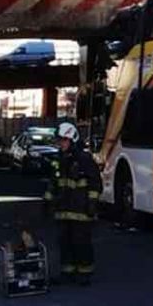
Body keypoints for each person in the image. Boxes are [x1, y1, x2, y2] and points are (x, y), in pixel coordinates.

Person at [43, 122, 102, 286]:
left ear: (72, 140)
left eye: (63, 140)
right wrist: (47, 200)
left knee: (81, 242)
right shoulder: (59, 160)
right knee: (65, 242)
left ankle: (84, 273)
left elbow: (95, 183)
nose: (60, 144)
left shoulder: (84, 159)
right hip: (63, 210)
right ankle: (67, 272)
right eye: (59, 141)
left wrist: (91, 203)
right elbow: (54, 182)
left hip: (81, 210)